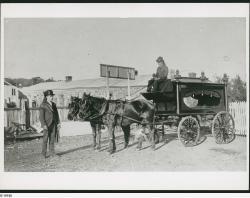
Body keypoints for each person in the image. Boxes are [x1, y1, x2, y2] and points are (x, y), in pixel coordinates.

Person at [39, 90, 61, 158]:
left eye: (52, 96)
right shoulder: (43, 105)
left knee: (52, 139)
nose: (51, 97)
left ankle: (52, 153)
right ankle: (43, 154)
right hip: (47, 125)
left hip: (53, 124)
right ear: (46, 97)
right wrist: (44, 125)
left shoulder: (53, 104)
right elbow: (41, 116)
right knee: (45, 139)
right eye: (50, 96)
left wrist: (58, 123)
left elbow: (56, 114)